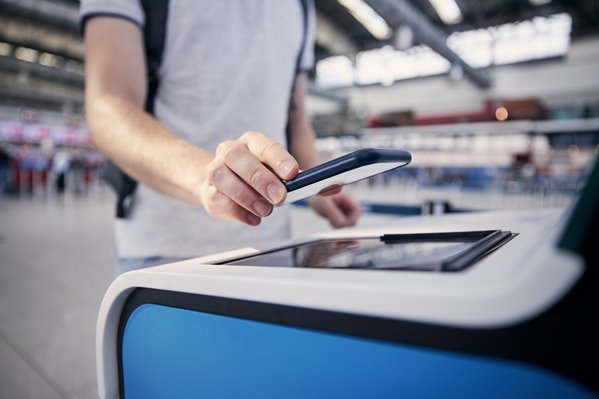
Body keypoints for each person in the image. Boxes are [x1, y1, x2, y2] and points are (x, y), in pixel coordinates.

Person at [80, 1, 362, 274]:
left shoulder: (301, 5)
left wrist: (314, 183)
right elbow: (109, 105)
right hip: (166, 253)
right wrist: (208, 178)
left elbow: (295, 116)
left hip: (274, 249)